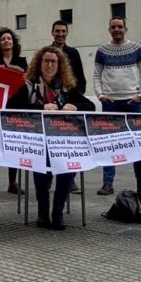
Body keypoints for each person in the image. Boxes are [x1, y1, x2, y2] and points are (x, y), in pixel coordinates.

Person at [7, 46, 94, 230]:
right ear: (39, 64)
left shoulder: (66, 87)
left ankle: (57, 211)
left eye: (53, 61)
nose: (49, 65)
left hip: (63, 141)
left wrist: (74, 106)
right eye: (46, 61)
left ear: (59, 65)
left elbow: (90, 105)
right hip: (38, 140)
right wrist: (40, 108)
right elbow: (11, 106)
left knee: (68, 166)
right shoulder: (29, 86)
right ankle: (42, 211)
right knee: (40, 165)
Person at [93, 16, 141, 198]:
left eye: (120, 26)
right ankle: (107, 183)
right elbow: (97, 75)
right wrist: (100, 95)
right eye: (113, 27)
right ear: (109, 29)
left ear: (126, 28)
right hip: (110, 103)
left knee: (137, 145)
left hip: (132, 103)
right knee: (109, 144)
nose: (117, 29)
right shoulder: (102, 50)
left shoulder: (137, 49)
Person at [0, 27, 28, 195]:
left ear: (13, 42)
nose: (6, 41)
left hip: (16, 106)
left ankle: (12, 182)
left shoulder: (22, 60)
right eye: (3, 39)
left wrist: (19, 72)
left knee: (14, 145)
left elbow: (28, 80)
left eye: (9, 39)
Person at [51, 19, 87, 194]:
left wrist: (73, 100)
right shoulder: (47, 52)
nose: (60, 34)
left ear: (67, 33)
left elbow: (81, 80)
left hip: (68, 105)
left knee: (69, 146)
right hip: (50, 105)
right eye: (57, 31)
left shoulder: (73, 53)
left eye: (63, 31)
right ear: (52, 33)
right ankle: (48, 178)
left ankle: (69, 180)